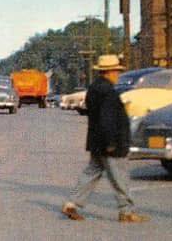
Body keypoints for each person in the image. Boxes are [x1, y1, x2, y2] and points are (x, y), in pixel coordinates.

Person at [61, 54, 149, 224]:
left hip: (96, 141)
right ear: (109, 72)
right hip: (111, 143)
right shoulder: (108, 92)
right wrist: (111, 142)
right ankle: (127, 212)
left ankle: (72, 203)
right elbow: (107, 119)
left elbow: (94, 114)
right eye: (116, 71)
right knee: (120, 176)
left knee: (92, 172)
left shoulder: (94, 89)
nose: (117, 75)